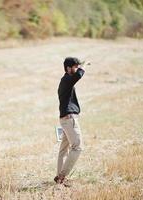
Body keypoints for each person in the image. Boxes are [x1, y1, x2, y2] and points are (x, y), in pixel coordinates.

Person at [54, 57, 85, 186]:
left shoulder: (64, 81)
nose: (77, 68)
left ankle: (59, 178)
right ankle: (61, 176)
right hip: (69, 119)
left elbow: (76, 75)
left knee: (63, 150)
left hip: (64, 120)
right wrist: (84, 67)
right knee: (78, 147)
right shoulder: (67, 79)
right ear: (68, 68)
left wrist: (79, 67)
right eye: (75, 66)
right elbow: (78, 75)